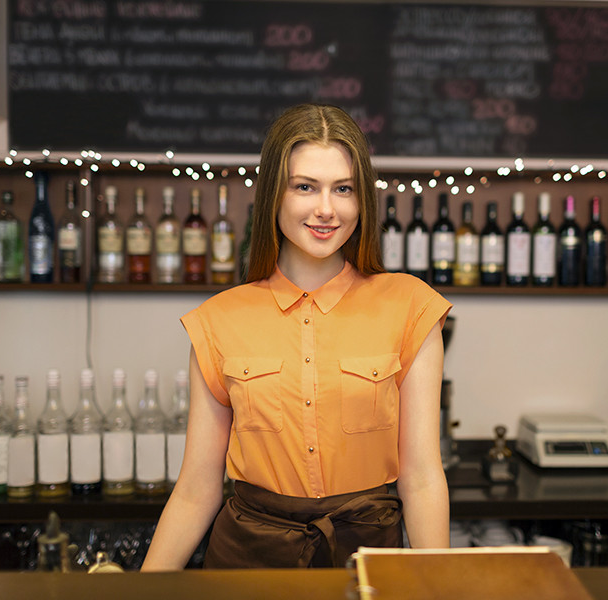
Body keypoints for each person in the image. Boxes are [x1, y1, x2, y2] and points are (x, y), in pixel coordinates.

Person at [141, 103, 452, 570]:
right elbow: (195, 490)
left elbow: (423, 478)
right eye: (305, 187)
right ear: (274, 196)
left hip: (365, 559)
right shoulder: (219, 320)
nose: (326, 209)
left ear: (362, 198)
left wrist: (438, 585)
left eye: (343, 189)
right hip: (245, 562)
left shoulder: (411, 306)